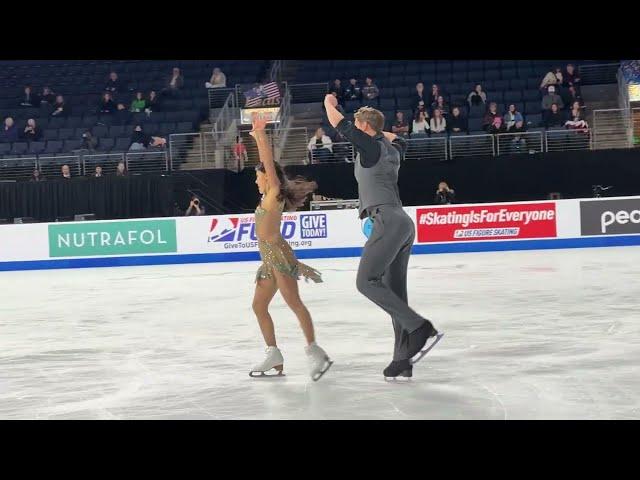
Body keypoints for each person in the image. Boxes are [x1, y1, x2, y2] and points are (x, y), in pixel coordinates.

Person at [323, 94, 442, 380]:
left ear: (364, 128)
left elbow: (338, 123)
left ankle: (419, 327)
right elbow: (392, 135)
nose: (354, 127)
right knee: (395, 293)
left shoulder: (370, 146)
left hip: (386, 222)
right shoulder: (394, 149)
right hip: (402, 223)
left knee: (366, 282)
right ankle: (402, 359)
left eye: (358, 124)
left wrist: (328, 102)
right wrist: (376, 126)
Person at [248, 113, 332, 381]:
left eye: (258, 176)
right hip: (269, 260)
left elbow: (269, 168)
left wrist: (260, 135)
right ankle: (273, 354)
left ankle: (315, 351)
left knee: (295, 304)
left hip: (279, 259)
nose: (256, 180)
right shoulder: (266, 197)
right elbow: (273, 235)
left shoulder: (273, 194)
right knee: (259, 306)